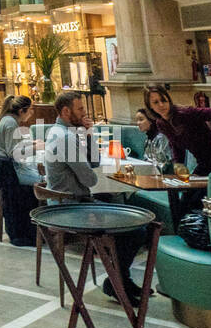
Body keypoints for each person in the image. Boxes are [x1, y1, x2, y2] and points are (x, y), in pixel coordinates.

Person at [45, 90, 147, 305]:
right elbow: (91, 178)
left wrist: (89, 134)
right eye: (80, 109)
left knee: (122, 212)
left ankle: (120, 281)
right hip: (70, 207)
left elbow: (93, 163)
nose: (85, 113)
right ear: (66, 111)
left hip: (72, 201)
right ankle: (117, 282)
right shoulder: (64, 138)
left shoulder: (66, 133)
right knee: (135, 229)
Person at [143, 83, 211, 175]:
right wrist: (179, 165)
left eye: (164, 100)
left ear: (169, 100)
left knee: (194, 189)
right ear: (150, 105)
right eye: (156, 102)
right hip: (204, 164)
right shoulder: (161, 123)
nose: (161, 105)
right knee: (183, 188)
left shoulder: (185, 113)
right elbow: (175, 144)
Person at [0, 95, 37, 247]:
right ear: (22, 111)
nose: (32, 113)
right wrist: (35, 148)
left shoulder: (9, 120)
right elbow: (13, 153)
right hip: (7, 170)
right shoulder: (10, 123)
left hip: (6, 166)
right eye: (31, 109)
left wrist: (31, 144)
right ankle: (29, 230)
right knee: (39, 182)